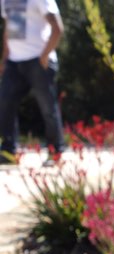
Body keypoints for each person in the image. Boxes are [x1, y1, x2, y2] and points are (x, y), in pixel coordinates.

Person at [0, 0, 65, 166]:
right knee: (5, 103)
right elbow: (10, 27)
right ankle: (8, 152)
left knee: (48, 108)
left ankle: (55, 152)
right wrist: (5, 58)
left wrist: (44, 55)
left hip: (38, 61)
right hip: (14, 62)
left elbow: (57, 28)